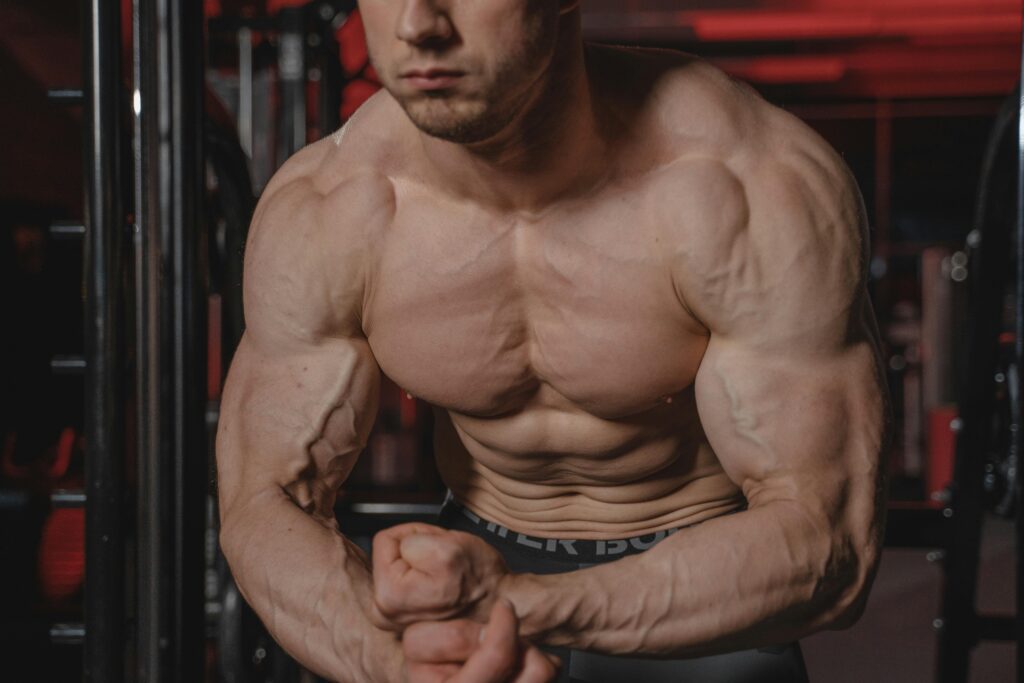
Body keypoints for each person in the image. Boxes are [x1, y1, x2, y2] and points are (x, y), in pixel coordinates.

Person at [215, 1, 890, 681]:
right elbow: (260, 503)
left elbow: (830, 539)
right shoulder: (333, 207)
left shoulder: (744, 186)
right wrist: (393, 660)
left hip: (711, 582)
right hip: (476, 559)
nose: (418, 23)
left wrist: (521, 604)